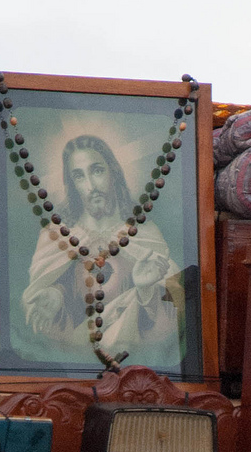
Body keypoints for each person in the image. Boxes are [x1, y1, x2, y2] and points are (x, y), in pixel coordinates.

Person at [21, 134, 181, 360]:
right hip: (74, 363)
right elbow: (36, 317)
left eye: (97, 171)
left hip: (135, 363)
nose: (91, 186)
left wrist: (146, 291)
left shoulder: (144, 234)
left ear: (113, 172)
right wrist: (55, 294)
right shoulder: (56, 237)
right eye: (79, 176)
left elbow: (175, 316)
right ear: (72, 184)